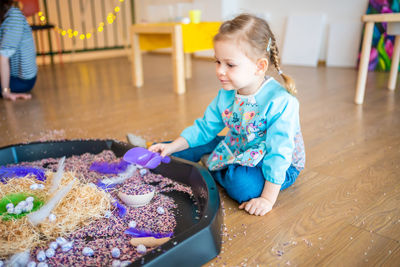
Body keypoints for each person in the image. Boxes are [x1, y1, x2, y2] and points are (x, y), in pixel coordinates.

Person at [149, 14, 305, 216]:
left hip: (279, 164)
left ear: (260, 66)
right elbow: (205, 127)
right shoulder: (227, 94)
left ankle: (209, 164)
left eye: (230, 65)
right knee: (190, 145)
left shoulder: (281, 102)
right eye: (217, 61)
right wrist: (172, 147)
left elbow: (279, 154)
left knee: (243, 188)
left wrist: (267, 198)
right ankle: (162, 151)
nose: (220, 71)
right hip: (240, 144)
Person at [0, 0, 37, 101]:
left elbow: (3, 56)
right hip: (10, 75)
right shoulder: (4, 16)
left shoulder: (13, 17)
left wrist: (6, 91)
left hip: (21, 80)